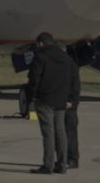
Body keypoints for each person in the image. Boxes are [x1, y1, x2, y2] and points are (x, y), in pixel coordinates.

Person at [25, 32, 78, 175]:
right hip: (61, 100)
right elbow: (72, 79)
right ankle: (62, 165)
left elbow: (34, 78)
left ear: (40, 43)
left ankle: (48, 166)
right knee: (61, 133)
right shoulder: (66, 58)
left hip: (45, 99)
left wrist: (31, 97)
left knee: (48, 133)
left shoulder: (41, 56)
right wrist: (70, 99)